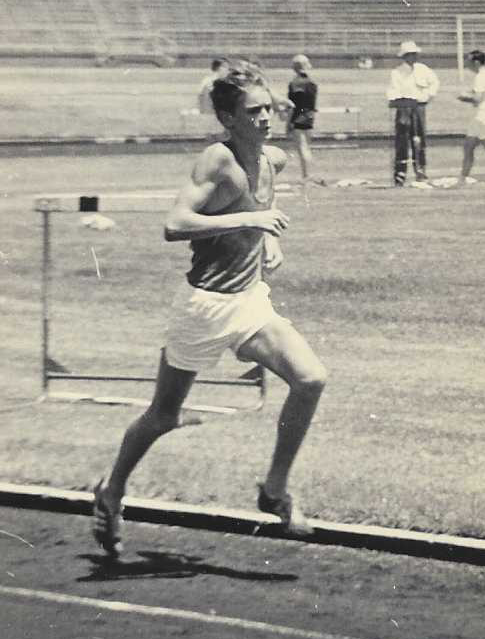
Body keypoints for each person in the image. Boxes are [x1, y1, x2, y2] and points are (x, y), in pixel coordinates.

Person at [92, 60, 327, 558]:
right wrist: (252, 221)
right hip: (202, 308)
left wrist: (265, 239)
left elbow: (258, 209)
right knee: (163, 416)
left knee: (310, 379)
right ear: (227, 117)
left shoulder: (273, 159)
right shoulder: (217, 160)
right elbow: (175, 223)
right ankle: (111, 492)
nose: (265, 117)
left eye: (268, 108)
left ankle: (274, 491)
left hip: (248, 303)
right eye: (254, 111)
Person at [387, 40, 440, 186]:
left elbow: (434, 83)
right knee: (402, 141)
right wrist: (398, 100)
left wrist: (428, 96)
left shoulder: (423, 69)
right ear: (404, 56)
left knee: (419, 140)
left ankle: (420, 171)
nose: (414, 57)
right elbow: (392, 91)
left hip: (419, 108)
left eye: (415, 54)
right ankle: (400, 174)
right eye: (410, 54)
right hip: (403, 108)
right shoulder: (396, 72)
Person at [287, 54, 325, 185]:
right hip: (309, 116)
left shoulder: (294, 83)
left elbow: (292, 105)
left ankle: (306, 176)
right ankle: (308, 175)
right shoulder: (312, 82)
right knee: (307, 148)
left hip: (298, 117)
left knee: (302, 148)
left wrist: (288, 123)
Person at [457, 49, 485, 185]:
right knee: (469, 146)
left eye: (469, 61)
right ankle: (463, 178)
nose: (467, 64)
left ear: (477, 63)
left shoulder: (480, 76)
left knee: (469, 147)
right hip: (481, 117)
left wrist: (463, 97)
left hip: (481, 117)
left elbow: (478, 99)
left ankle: (462, 178)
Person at [197, 57, 230, 139]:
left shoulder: (206, 80)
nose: (228, 71)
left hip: (209, 115)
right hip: (213, 115)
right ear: (220, 68)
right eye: (227, 68)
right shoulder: (215, 82)